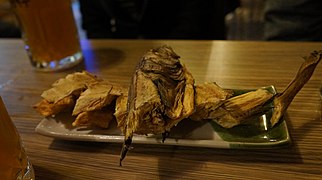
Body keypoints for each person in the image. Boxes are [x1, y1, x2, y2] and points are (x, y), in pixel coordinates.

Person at [79, 0, 239, 40]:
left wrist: (161, 58)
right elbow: (94, 25)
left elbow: (195, 16)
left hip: (183, 44)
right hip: (128, 51)